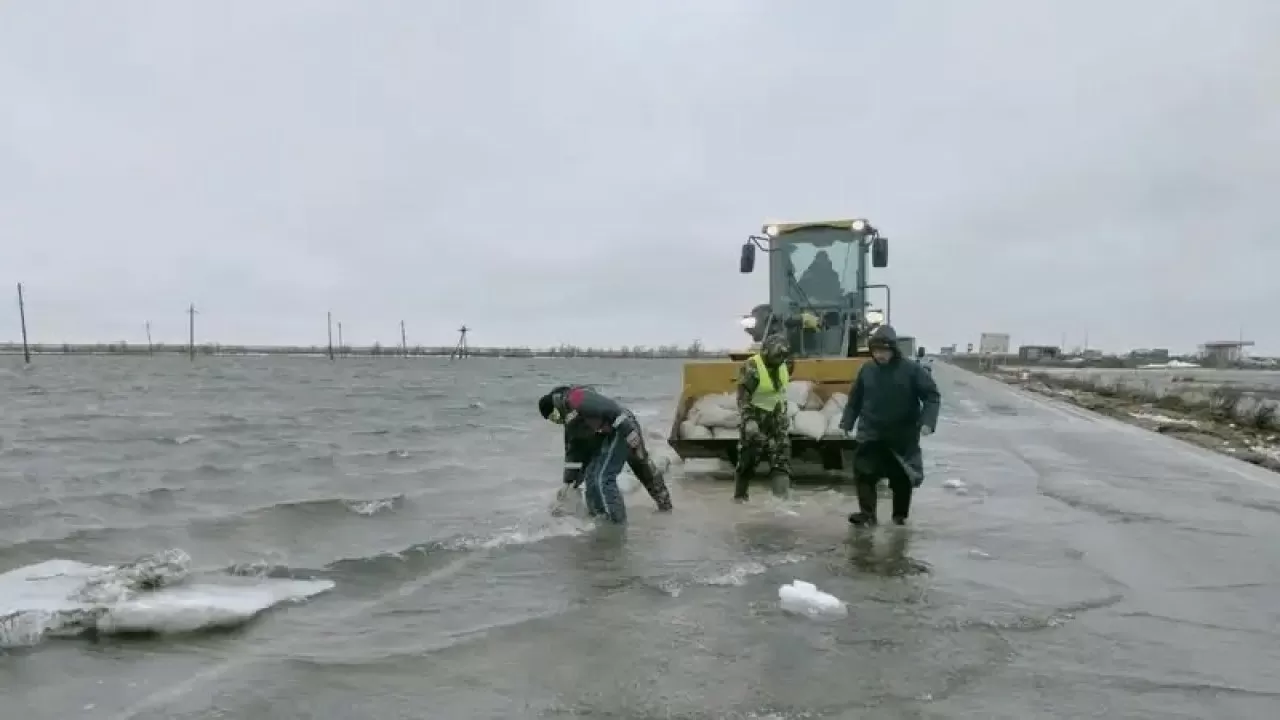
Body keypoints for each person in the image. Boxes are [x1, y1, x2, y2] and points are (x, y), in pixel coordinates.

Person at [839, 324, 941, 526]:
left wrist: (927, 422)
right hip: (871, 432)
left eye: (884, 351)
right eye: (876, 351)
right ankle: (867, 515)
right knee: (864, 473)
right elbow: (855, 399)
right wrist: (847, 423)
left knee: (902, 478)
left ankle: (899, 516)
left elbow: (932, 396)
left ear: (893, 350)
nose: (880, 355)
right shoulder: (867, 370)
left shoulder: (912, 370)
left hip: (901, 434)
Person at [538, 385, 673, 523]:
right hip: (607, 435)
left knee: (624, 470)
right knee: (591, 479)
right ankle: (599, 518)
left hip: (622, 427)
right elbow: (574, 452)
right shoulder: (570, 423)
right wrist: (569, 481)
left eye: (554, 416)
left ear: (556, 403)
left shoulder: (576, 397)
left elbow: (611, 408)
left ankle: (619, 524)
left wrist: (628, 431)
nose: (556, 421)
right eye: (552, 420)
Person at [734, 334, 796, 501]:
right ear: (766, 352)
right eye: (777, 355)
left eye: (783, 356)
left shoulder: (787, 363)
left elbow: (781, 388)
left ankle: (781, 506)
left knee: (781, 462)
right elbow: (742, 397)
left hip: (777, 421)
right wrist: (749, 421)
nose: (780, 359)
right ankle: (740, 498)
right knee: (747, 463)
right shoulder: (752, 366)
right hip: (756, 421)